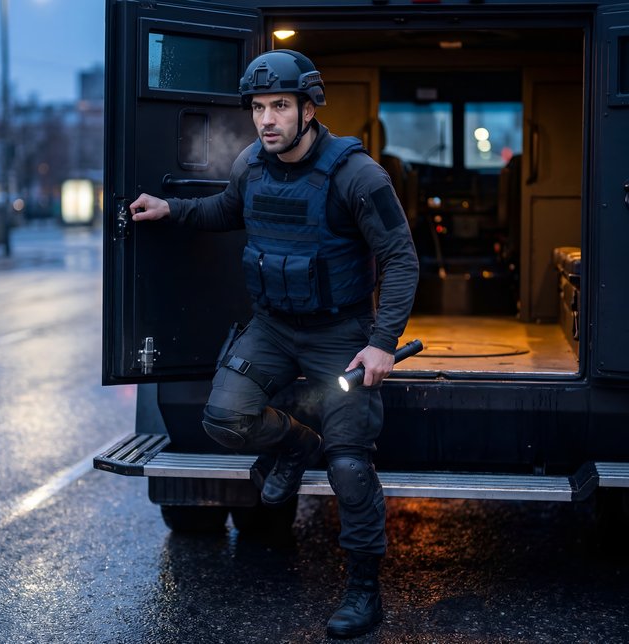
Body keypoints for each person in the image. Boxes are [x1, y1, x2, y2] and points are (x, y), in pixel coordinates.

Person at [130, 49, 418, 639]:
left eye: (280, 106)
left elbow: (400, 256)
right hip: (273, 326)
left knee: (350, 467)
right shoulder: (251, 165)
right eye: (259, 107)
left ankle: (364, 592)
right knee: (223, 419)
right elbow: (223, 209)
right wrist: (172, 209)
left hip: (340, 332)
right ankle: (293, 444)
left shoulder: (356, 175)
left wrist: (383, 342)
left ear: (308, 109)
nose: (266, 119)